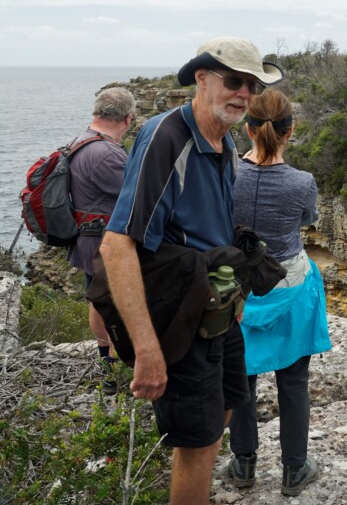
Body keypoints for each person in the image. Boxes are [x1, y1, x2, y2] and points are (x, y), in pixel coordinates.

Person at [98, 37, 283, 505]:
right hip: (180, 319)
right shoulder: (167, 137)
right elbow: (117, 245)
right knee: (197, 445)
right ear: (201, 78)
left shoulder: (223, 142)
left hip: (217, 312)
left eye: (252, 85)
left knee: (225, 409)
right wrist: (148, 350)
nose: (244, 93)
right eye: (234, 81)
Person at [227, 89, 330, 497]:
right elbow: (308, 218)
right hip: (289, 286)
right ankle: (294, 469)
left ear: (248, 129)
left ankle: (243, 463)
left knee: (241, 377)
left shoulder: (227, 173)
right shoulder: (302, 182)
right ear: (291, 130)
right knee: (294, 381)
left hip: (239, 292)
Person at [67, 87, 135, 394]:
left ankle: (107, 367)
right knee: (118, 308)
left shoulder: (81, 141)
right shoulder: (105, 154)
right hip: (105, 245)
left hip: (88, 239)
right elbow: (139, 195)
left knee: (98, 301)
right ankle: (116, 373)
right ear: (128, 119)